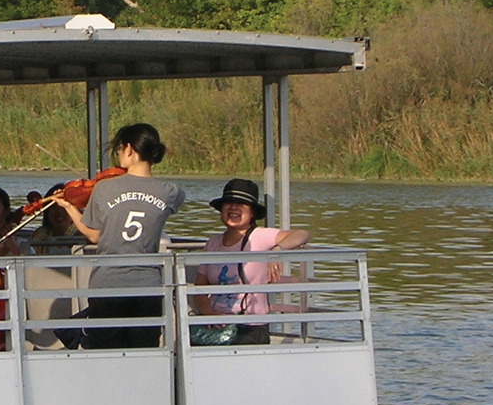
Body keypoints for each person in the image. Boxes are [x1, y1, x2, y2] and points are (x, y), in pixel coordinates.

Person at [52, 122, 185, 349]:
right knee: (144, 350)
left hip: (109, 283)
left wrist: (70, 209)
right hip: (148, 285)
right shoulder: (171, 192)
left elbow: (94, 236)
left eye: (119, 150)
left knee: (106, 350)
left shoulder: (104, 189)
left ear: (130, 150)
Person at [189, 178, 309, 345]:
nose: (233, 208)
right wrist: (208, 313)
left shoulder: (259, 236)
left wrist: (276, 251)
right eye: (228, 203)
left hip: (249, 327)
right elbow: (200, 288)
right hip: (215, 324)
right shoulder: (213, 243)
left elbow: (301, 234)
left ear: (252, 212)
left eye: (241, 204)